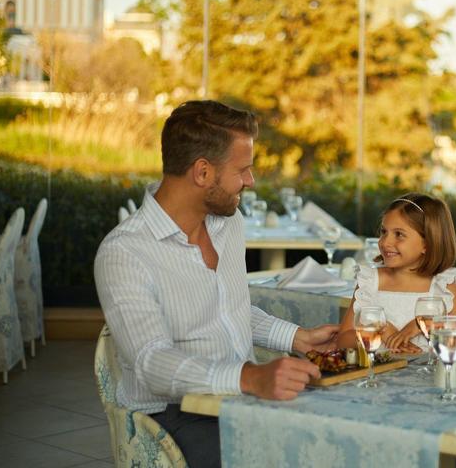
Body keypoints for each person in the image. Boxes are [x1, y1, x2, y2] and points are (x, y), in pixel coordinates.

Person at [94, 100, 338, 468]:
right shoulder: (125, 252)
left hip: (236, 402)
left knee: (336, 438)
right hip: (170, 419)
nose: (251, 181)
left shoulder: (228, 223)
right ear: (202, 172)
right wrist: (250, 378)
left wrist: (297, 338)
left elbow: (229, 308)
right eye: (243, 169)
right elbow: (151, 362)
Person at [337, 193, 456, 353]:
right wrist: (380, 331)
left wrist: (424, 325)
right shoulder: (370, 281)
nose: (385, 242)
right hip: (378, 375)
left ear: (427, 243)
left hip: (427, 376)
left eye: (399, 234)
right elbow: (343, 340)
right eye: (383, 232)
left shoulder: (443, 283)